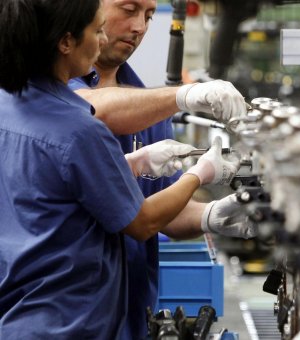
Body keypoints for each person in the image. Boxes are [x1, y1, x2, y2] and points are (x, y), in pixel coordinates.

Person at [0, 0, 237, 337]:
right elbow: (141, 222)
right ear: (66, 41)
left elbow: (54, 192)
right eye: (97, 30)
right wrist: (200, 173)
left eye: (150, 17)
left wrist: (208, 214)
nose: (101, 41)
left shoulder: (9, 107)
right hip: (70, 321)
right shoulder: (78, 126)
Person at [68, 0, 257, 338]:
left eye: (149, 16)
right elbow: (92, 108)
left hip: (130, 315)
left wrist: (209, 215)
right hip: (68, 314)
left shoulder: (149, 106)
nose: (139, 27)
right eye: (129, 10)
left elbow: (161, 211)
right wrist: (184, 96)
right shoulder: (52, 88)